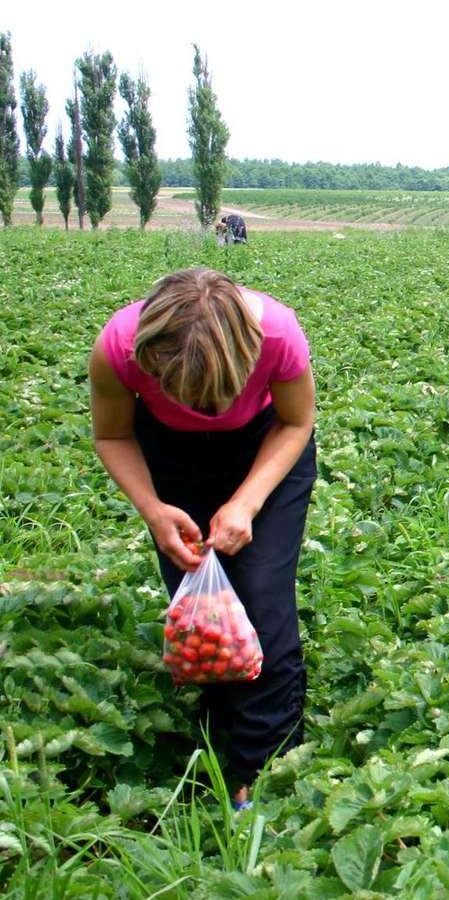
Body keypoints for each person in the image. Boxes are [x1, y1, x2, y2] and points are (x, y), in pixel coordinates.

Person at [89, 268, 315, 809]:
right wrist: (154, 511)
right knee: (199, 602)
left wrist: (246, 501)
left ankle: (266, 766)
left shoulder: (279, 334)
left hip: (265, 448)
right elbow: (112, 434)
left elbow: (296, 422)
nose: (205, 409)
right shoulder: (118, 348)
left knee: (260, 594)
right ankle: (219, 723)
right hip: (169, 457)